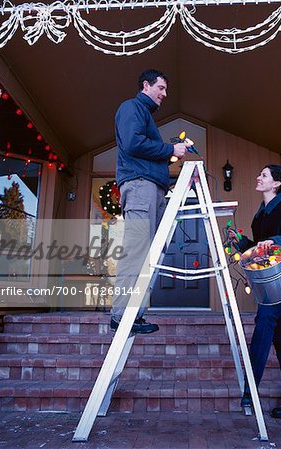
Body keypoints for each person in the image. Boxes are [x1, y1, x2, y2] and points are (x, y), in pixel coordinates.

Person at [110, 69, 190, 334]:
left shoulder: (144, 116)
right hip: (140, 186)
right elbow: (132, 144)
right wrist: (170, 150)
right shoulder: (131, 108)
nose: (164, 95)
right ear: (146, 85)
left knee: (150, 256)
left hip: (152, 188)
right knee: (136, 252)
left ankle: (135, 314)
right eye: (161, 88)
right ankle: (121, 315)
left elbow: (143, 149)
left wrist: (170, 153)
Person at [230, 164, 281, 418]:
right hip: (267, 284)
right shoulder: (260, 216)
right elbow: (260, 247)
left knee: (263, 324)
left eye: (263, 175)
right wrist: (243, 243)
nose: (258, 177)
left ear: (276, 183)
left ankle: (250, 390)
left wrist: (278, 241)